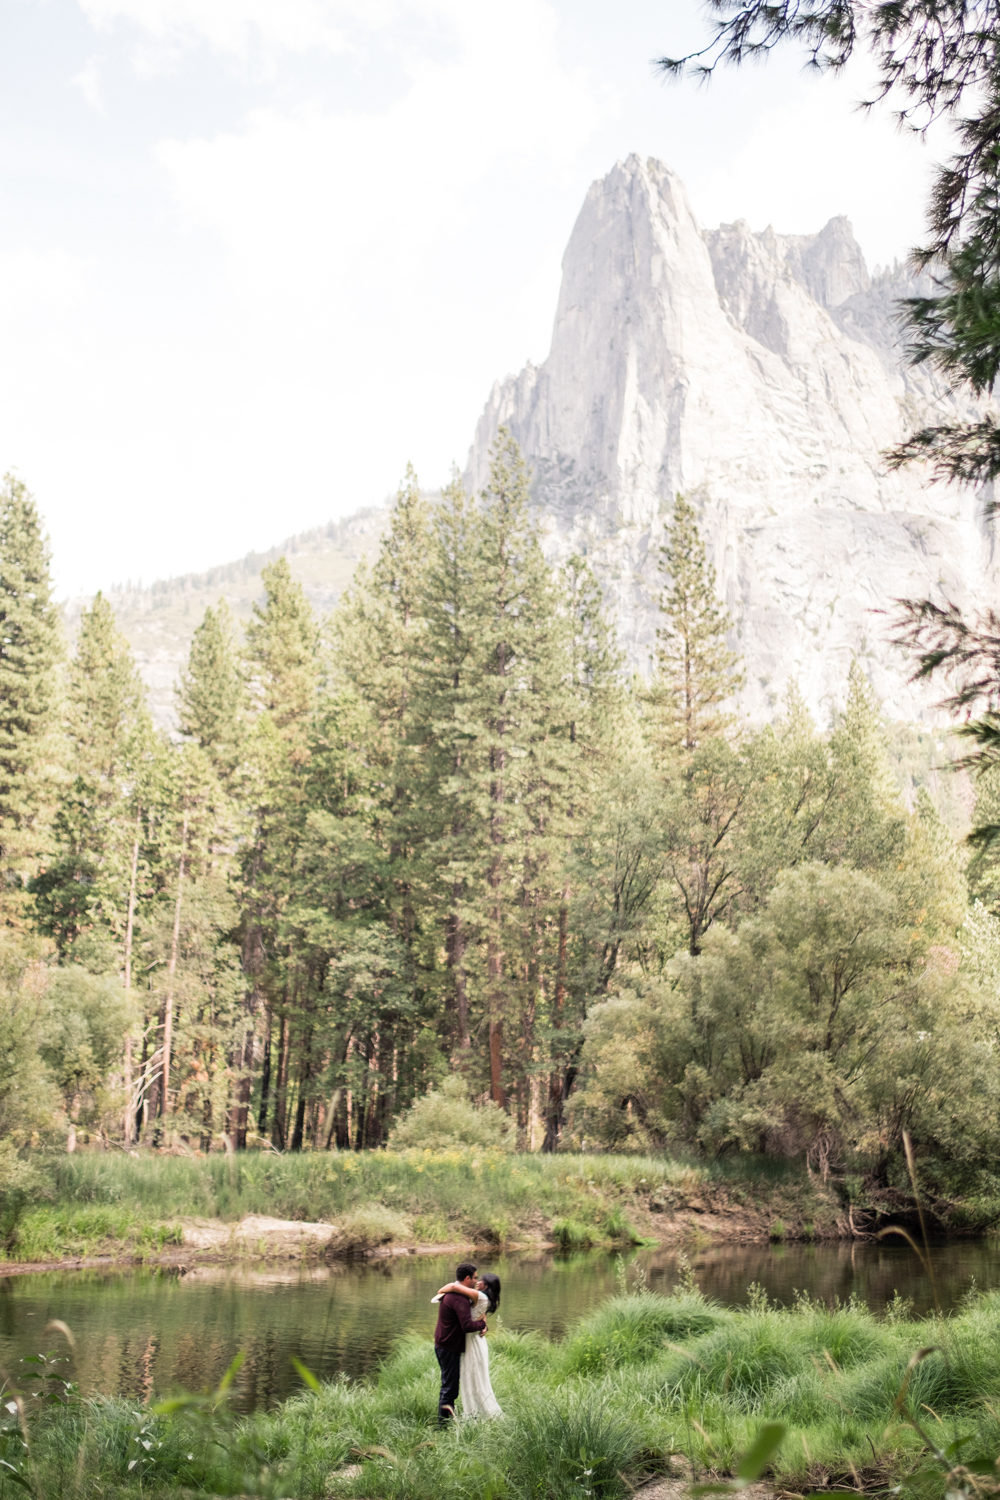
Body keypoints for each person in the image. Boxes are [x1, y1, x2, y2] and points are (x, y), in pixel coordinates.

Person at [432, 1270, 503, 1419]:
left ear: (486, 1285)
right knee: (471, 1378)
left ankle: (473, 1413)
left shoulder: (480, 1296)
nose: (478, 1282)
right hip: (471, 1341)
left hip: (473, 1343)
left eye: (480, 1280)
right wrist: (483, 1325)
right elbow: (481, 1317)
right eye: (476, 1278)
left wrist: (441, 1291)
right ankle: (472, 1411)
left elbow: (454, 1286)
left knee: (473, 1378)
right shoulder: (481, 1296)